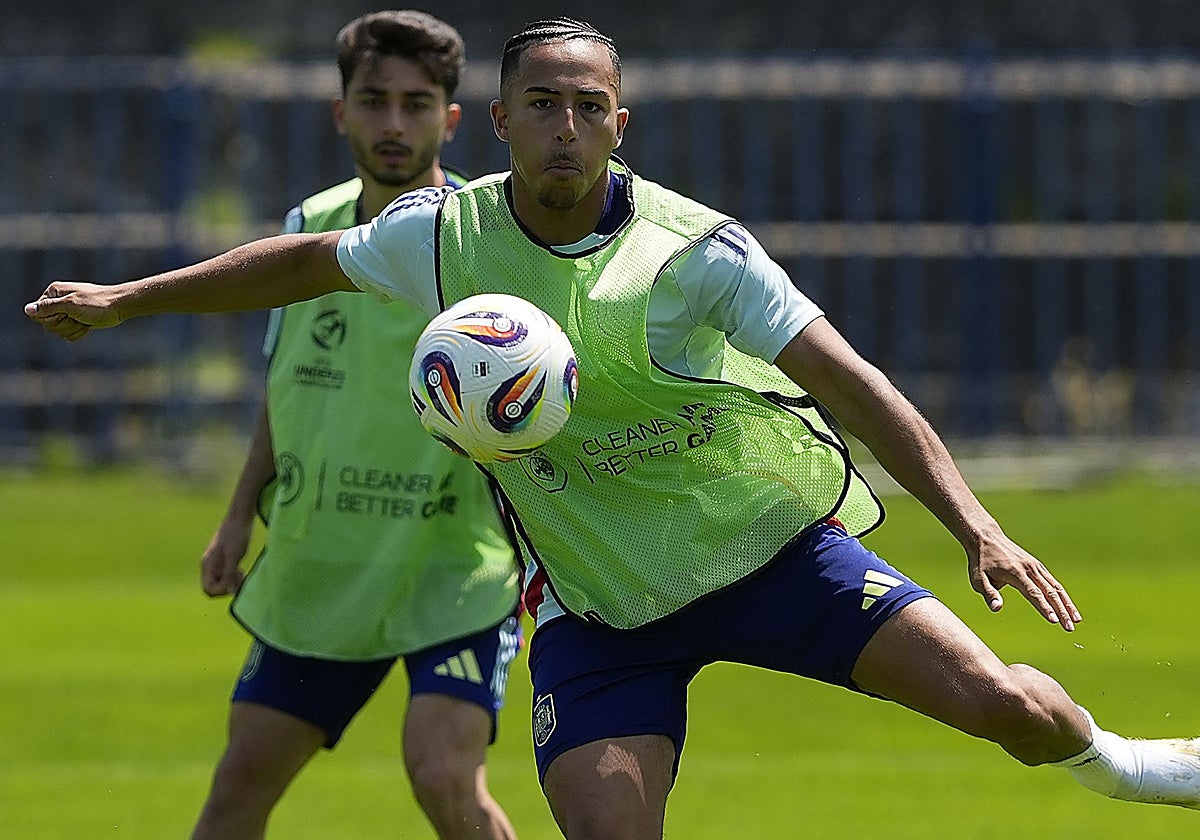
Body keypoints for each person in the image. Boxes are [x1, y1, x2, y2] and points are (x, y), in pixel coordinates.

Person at [26, 17, 1200, 840]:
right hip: (601, 611)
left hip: (774, 555)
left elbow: (855, 381)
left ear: (620, 121)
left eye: (591, 106)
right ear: (498, 121)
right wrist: (131, 298)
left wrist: (976, 524)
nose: (568, 127)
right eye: (543, 104)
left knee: (1015, 714)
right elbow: (302, 263)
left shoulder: (697, 253)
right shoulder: (440, 235)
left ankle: (1129, 768)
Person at [186, 12, 521, 840]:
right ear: (342, 112)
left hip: (454, 566)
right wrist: (236, 516)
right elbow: (288, 382)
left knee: (444, 775)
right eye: (374, 101)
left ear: (449, 118)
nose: (394, 123)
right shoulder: (305, 230)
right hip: (325, 560)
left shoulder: (484, 245)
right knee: (237, 789)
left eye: (416, 104)